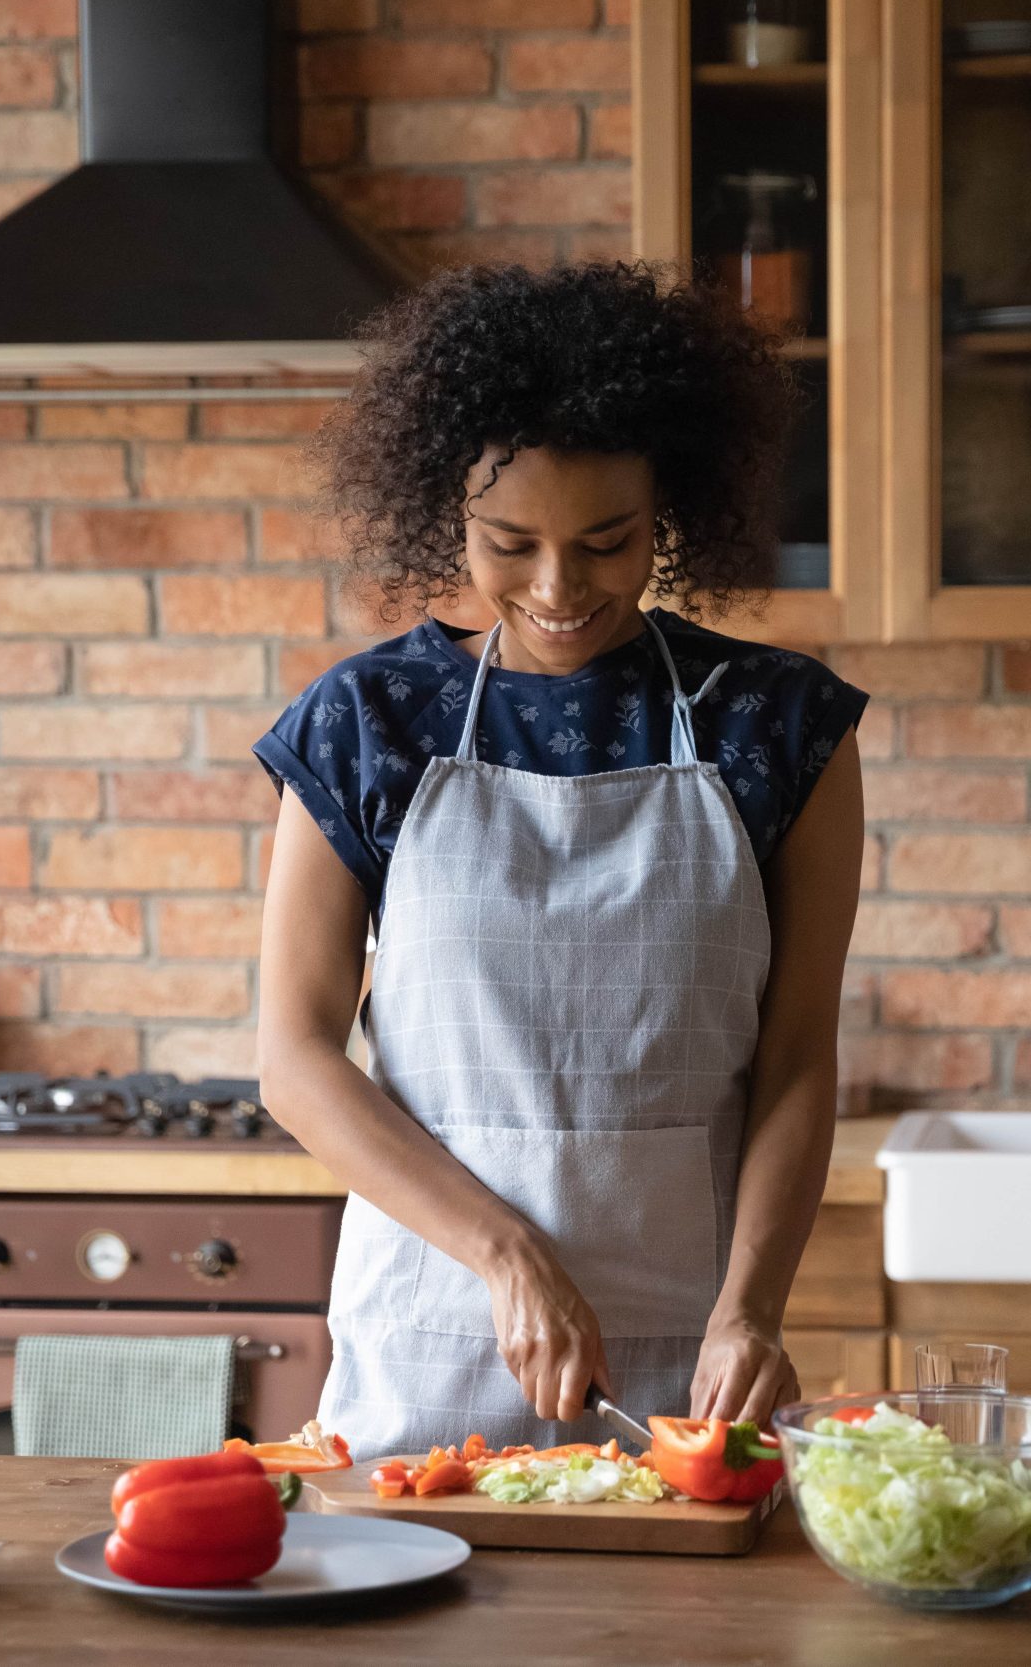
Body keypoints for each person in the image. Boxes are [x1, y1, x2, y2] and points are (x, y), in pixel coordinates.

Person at [253, 261, 867, 1457]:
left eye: (606, 541)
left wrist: (753, 1309)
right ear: (450, 515)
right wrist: (506, 1251)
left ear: (667, 514)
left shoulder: (777, 726)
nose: (556, 587)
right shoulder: (370, 721)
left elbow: (797, 1059)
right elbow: (293, 1058)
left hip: (692, 1367)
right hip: (429, 1349)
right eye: (508, 543)